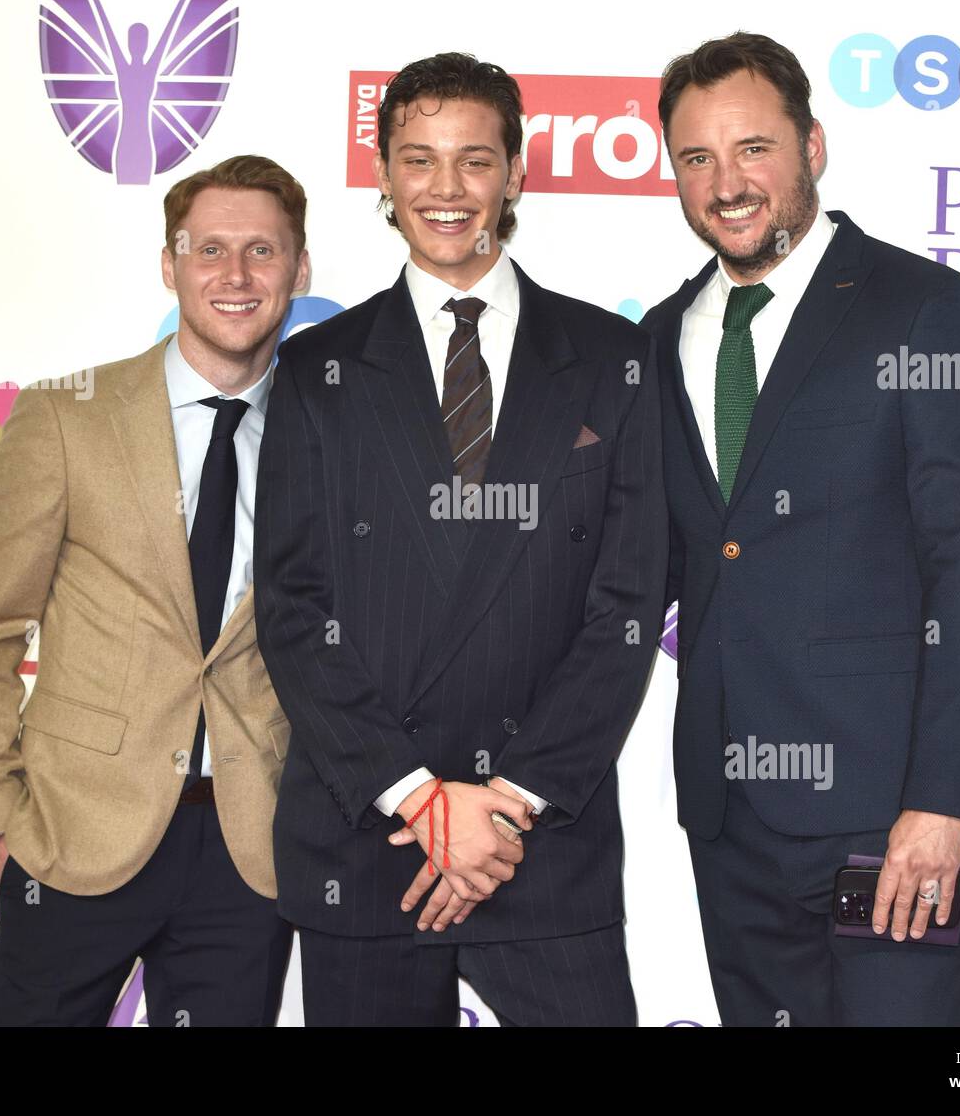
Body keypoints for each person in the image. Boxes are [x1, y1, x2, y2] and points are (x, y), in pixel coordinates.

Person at [254, 52, 666, 1026]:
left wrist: (506, 803)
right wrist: (420, 799)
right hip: (373, 836)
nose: (446, 189)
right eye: (419, 160)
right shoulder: (317, 368)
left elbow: (627, 605)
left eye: (474, 160)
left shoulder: (613, 359)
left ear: (514, 173)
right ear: (384, 174)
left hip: (540, 840)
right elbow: (293, 606)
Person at [643, 32, 960, 1026]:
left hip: (884, 818)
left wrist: (942, 799)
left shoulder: (924, 310)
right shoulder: (659, 337)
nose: (726, 183)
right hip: (729, 820)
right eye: (696, 157)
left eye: (753, 148)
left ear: (811, 146)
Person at [0, 154, 310, 1026]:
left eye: (261, 251)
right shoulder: (67, 416)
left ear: (300, 270)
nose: (235, 274)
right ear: (169, 266)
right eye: (209, 249)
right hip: (73, 833)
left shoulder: (328, 431)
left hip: (246, 849)